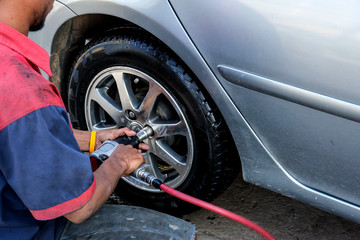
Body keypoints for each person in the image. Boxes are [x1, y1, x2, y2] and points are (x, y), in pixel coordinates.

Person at [0, 0, 196, 239]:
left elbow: (20, 134)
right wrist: (118, 163)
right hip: (23, 231)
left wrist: (94, 139)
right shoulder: (22, 89)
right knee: (181, 234)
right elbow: (80, 208)